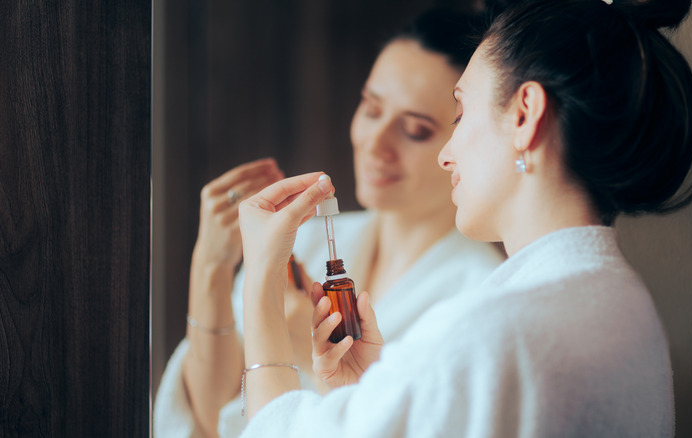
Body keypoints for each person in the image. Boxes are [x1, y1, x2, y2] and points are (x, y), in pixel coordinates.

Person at [234, 0, 692, 436]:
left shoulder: (492, 332)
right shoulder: (621, 302)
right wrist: (370, 391)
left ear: (524, 114)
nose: (447, 153)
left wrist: (261, 281)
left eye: (459, 114)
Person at [154, 8, 505, 438]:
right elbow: (209, 422)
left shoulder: (479, 297)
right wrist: (210, 266)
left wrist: (304, 352)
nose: (376, 144)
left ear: (461, 139)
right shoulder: (306, 242)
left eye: (415, 130)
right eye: (372, 109)